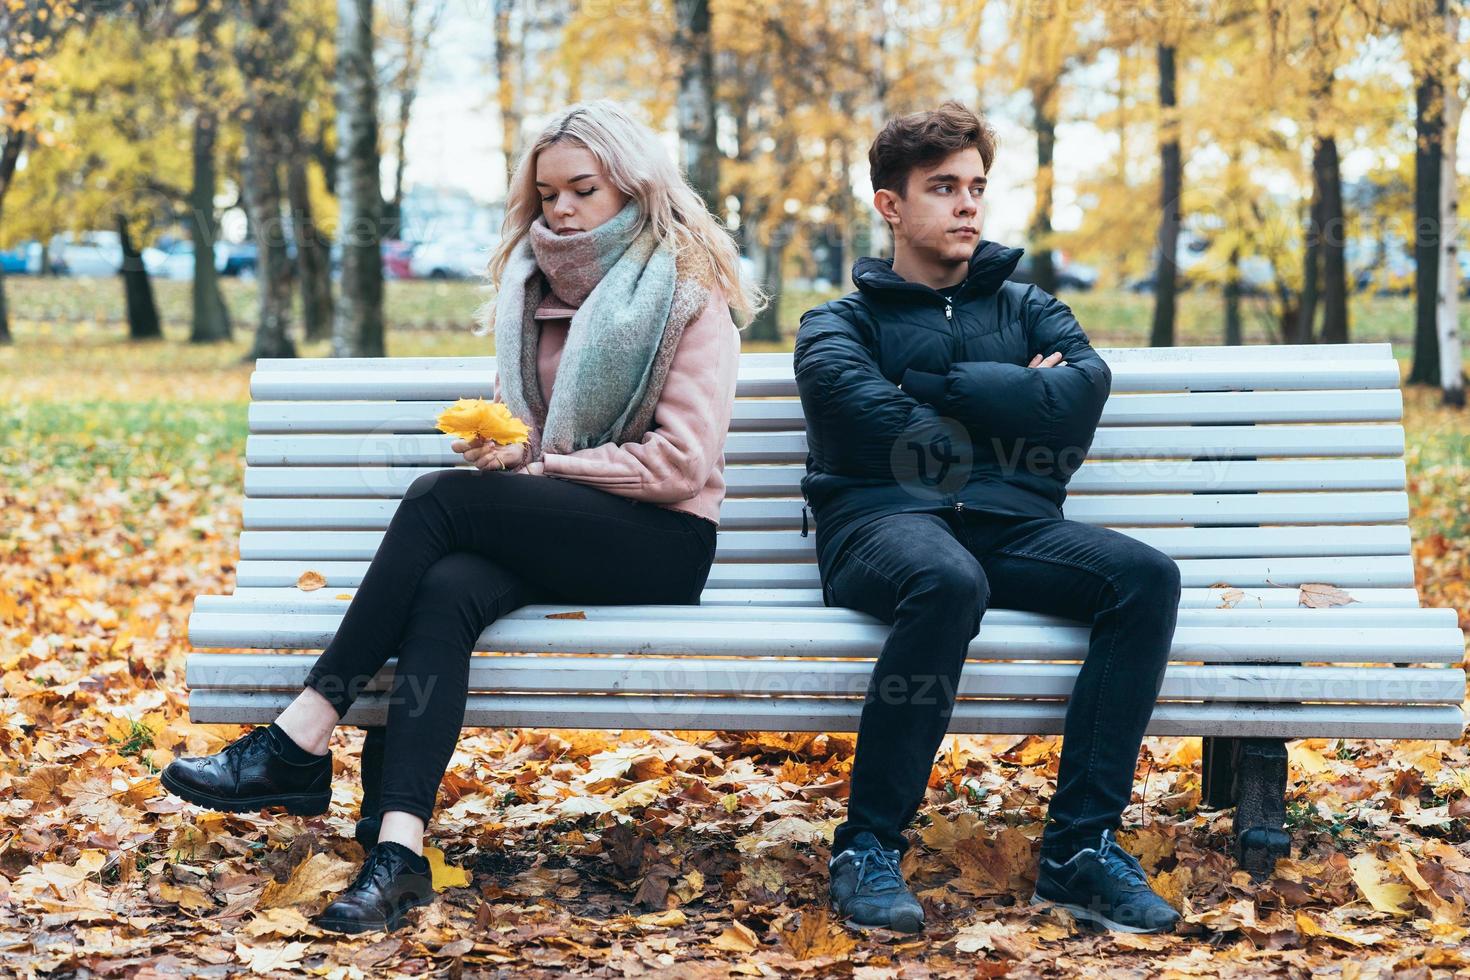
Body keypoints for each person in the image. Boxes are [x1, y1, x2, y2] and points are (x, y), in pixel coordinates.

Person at [160, 99, 762, 934]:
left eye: (582, 190)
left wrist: (544, 468)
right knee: (447, 587)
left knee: (439, 500)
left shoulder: (687, 294)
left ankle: (298, 739)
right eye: (547, 193)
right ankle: (399, 852)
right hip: (565, 526)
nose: (561, 210)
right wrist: (511, 457)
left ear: (632, 186)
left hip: (660, 542)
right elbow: (538, 439)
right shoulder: (531, 289)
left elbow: (680, 464)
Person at [794, 101, 1182, 935]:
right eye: (943, 187)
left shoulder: (1030, 305)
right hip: (879, 527)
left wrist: (939, 394)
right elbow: (860, 412)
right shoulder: (839, 322)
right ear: (890, 205)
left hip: (1009, 524)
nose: (968, 204)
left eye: (976, 186)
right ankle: (866, 845)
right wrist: (1013, 402)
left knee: (1144, 577)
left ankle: (1081, 849)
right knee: (944, 578)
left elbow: (1082, 393)